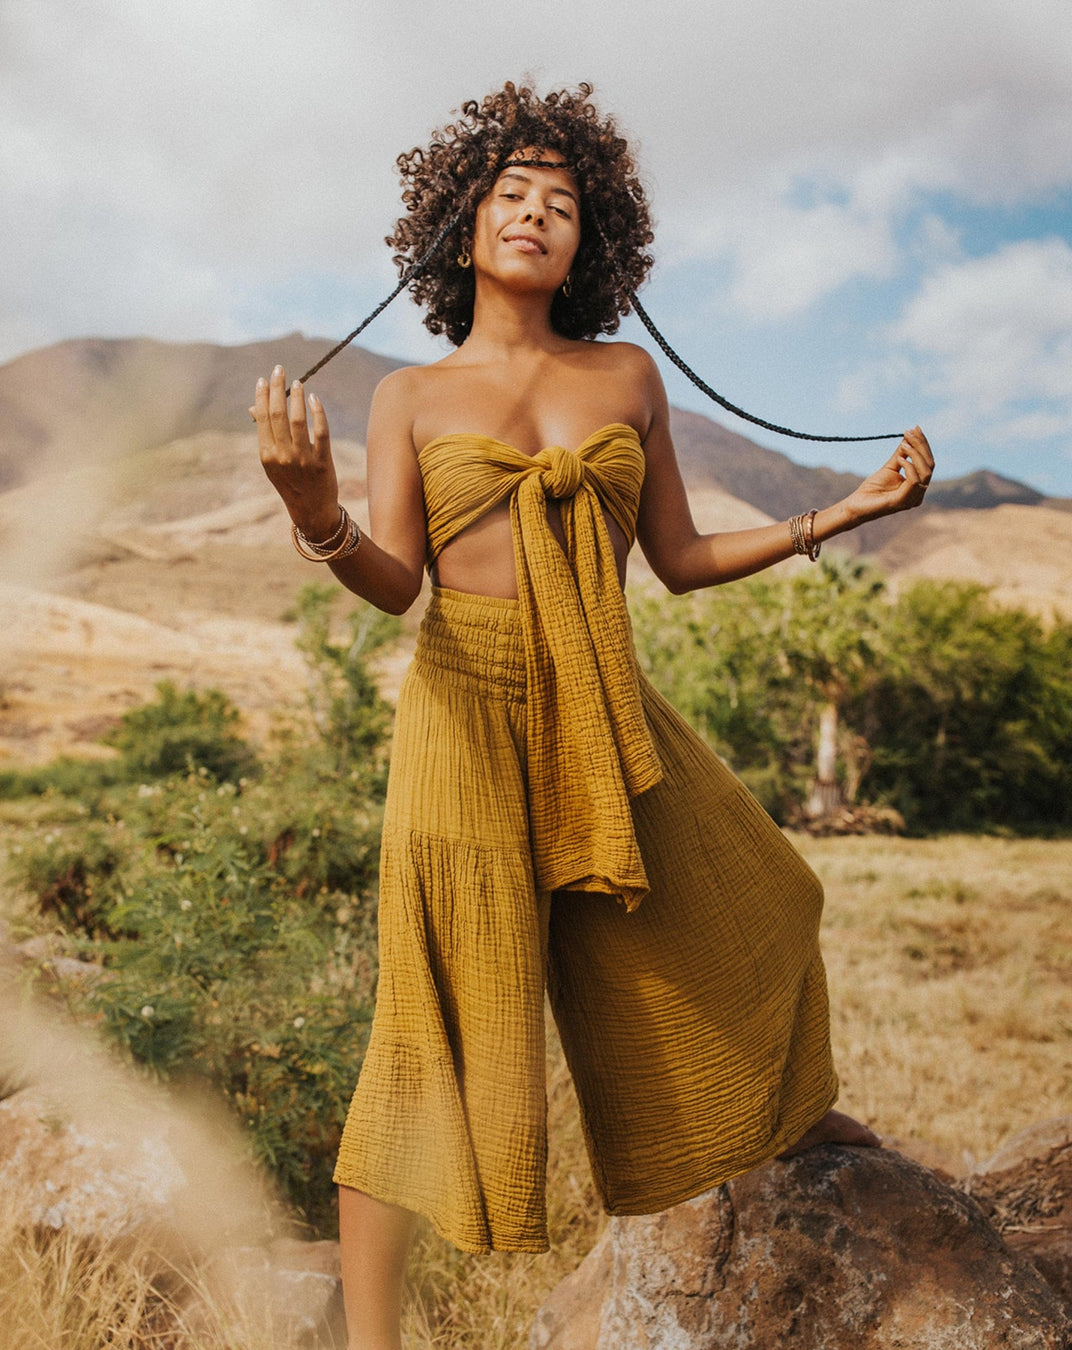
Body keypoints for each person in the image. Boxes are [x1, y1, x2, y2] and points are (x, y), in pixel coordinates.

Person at [252, 82, 933, 1350]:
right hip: (463, 710)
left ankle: (785, 1108)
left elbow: (673, 556)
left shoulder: (625, 376)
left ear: (592, 241)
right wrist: (313, 509)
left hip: (602, 697)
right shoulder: (410, 398)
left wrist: (838, 516)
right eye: (511, 194)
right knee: (432, 1031)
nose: (535, 215)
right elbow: (396, 583)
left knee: (760, 895)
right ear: (463, 227)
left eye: (562, 204)